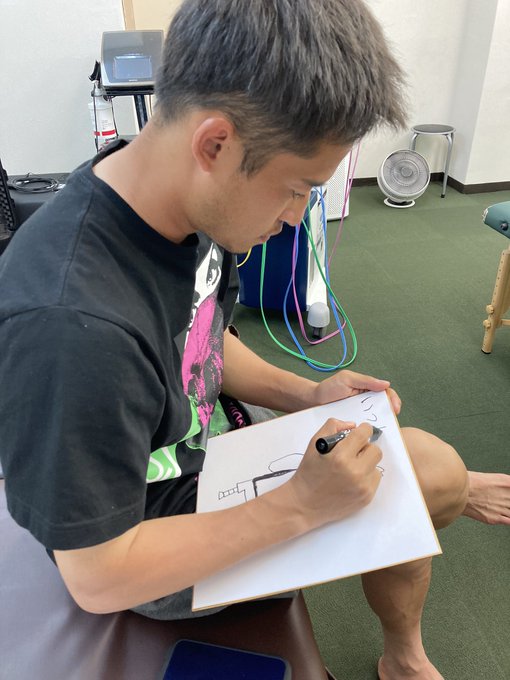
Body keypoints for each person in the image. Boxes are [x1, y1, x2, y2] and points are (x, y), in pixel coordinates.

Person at [0, 1, 508, 678]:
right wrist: (298, 507)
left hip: (210, 450)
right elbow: (98, 576)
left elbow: (200, 341)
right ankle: (413, 627)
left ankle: (406, 645)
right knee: (430, 475)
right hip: (149, 542)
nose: (296, 218)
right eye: (296, 189)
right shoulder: (72, 325)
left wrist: (307, 393)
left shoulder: (174, 197)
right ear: (215, 145)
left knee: (409, 463)